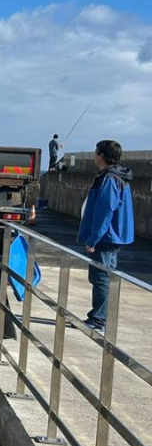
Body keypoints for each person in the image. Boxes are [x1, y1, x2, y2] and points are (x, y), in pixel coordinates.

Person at [77, 139, 134, 334]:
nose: (94, 155)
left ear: (101, 155)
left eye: (96, 152)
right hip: (114, 235)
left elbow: (105, 211)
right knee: (106, 276)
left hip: (106, 237)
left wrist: (93, 238)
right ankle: (101, 317)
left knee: (100, 277)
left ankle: (98, 319)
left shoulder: (109, 179)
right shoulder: (119, 176)